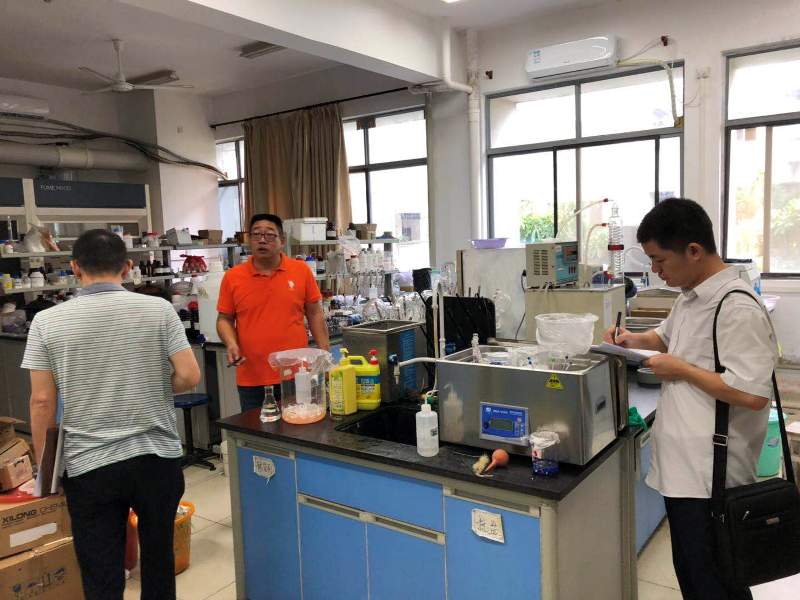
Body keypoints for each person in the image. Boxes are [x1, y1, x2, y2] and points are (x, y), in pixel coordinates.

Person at [603, 198, 777, 600]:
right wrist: (631, 340)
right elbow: (665, 338)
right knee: (694, 578)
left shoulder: (736, 307)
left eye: (659, 259)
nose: (655, 270)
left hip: (711, 480)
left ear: (694, 251)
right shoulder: (690, 296)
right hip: (684, 473)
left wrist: (681, 370)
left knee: (716, 583)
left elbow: (752, 394)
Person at [22, 229, 201, 600]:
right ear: (128, 267)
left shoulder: (47, 322)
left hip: (90, 465)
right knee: (159, 561)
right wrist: (150, 386)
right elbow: (188, 376)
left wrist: (46, 472)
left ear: (75, 267)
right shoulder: (158, 310)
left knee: (101, 572)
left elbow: (41, 402)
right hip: (156, 458)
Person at [216, 213, 329, 413]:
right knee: (256, 430)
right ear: (249, 240)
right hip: (252, 376)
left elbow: (315, 314)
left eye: (269, 235)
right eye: (256, 234)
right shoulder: (233, 277)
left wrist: (324, 355)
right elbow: (224, 319)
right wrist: (231, 344)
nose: (262, 240)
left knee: (299, 425)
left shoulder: (301, 271)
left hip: (297, 374)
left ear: (282, 241)